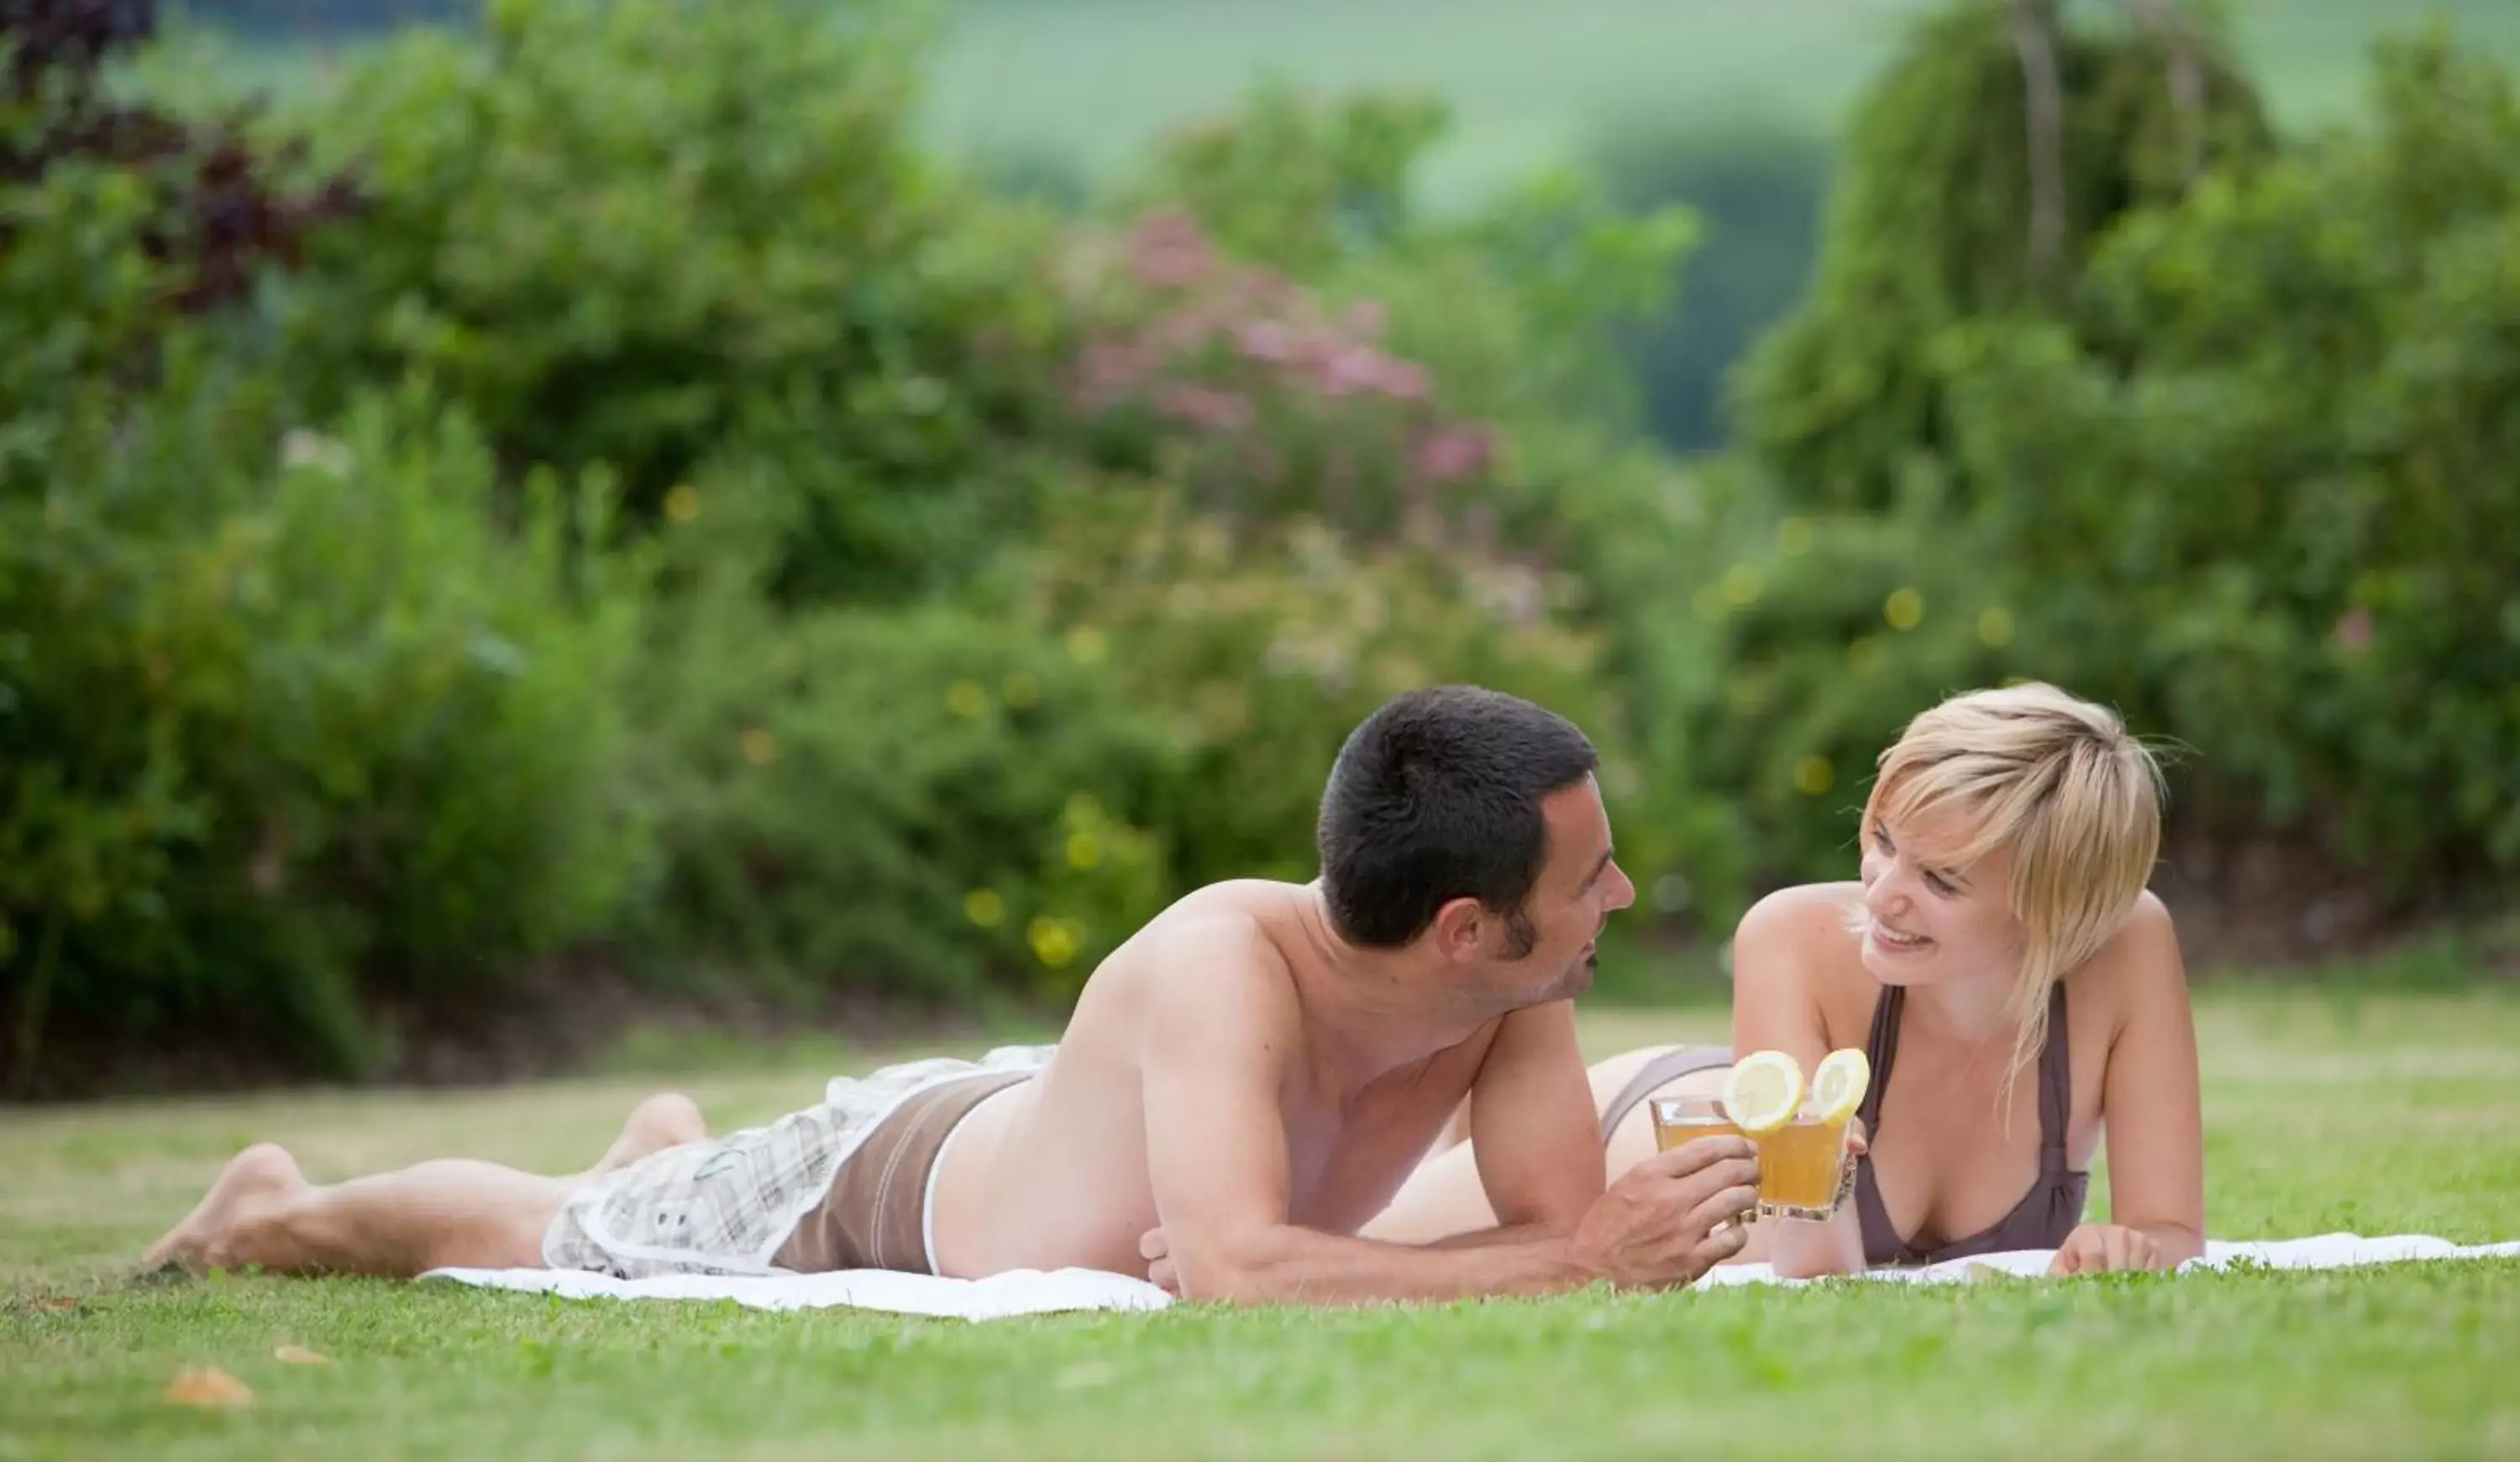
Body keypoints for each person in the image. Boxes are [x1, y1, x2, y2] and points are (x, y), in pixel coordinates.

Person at [146, 685, 1761, 1305]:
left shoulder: (1521, 984)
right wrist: (1273, 1254)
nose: (1621, 896)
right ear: (1465, 927)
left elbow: (1548, 1239)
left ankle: (659, 1150)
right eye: (1593, 874)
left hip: (1035, 1126)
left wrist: (1550, 1251)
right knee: (538, 1231)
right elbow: (1248, 1276)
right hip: (887, 1190)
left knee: (621, 1196)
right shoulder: (1224, 964)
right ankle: (265, 1208)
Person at [1365, 682, 2205, 1278]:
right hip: (1631, 1125)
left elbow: (2169, 1231)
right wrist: (1817, 1175)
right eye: (1882, 838)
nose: (1882, 891)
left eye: (1940, 881)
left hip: (1722, 1099)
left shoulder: (2128, 946)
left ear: (2058, 909)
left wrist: (2125, 1250)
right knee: (1348, 1253)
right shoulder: (1793, 935)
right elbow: (1809, 1268)